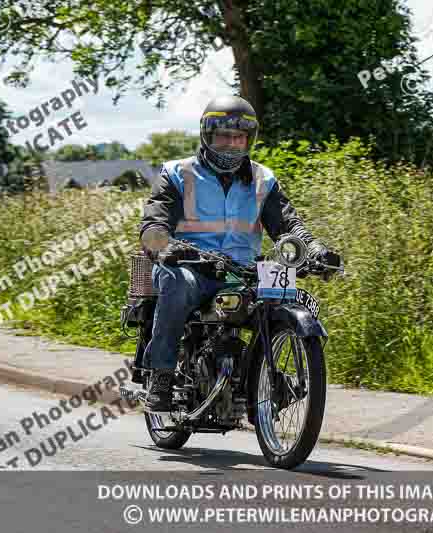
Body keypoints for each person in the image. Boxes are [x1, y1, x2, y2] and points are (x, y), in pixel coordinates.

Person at [138, 95, 341, 412]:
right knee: (177, 285)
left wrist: (313, 249)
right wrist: (163, 244)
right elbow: (155, 221)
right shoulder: (177, 173)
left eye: (239, 137)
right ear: (207, 135)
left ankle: (260, 375)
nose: (232, 144)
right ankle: (162, 376)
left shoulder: (264, 179)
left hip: (245, 271)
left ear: (249, 140)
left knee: (285, 299)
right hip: (191, 266)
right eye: (224, 136)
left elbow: (288, 224)